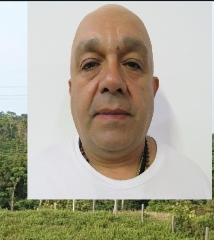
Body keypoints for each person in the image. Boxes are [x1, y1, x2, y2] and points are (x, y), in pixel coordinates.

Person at [28, 4, 211, 200]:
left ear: (153, 89)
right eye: (90, 64)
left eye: (132, 64)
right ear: (72, 90)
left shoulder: (194, 184)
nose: (112, 81)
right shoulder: (36, 178)